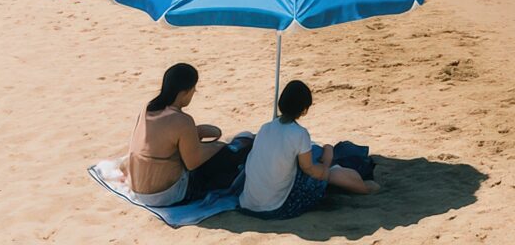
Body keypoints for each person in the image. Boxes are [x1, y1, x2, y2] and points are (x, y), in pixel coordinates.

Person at [240, 79, 380, 218]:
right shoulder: (299, 133)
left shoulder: (265, 128)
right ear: (304, 110)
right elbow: (310, 169)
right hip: (274, 208)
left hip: (247, 203)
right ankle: (362, 187)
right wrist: (327, 162)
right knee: (318, 176)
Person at [123, 63, 246, 207]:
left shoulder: (148, 108)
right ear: (183, 93)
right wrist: (219, 146)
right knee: (231, 154)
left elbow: (166, 137)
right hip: (164, 194)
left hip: (137, 187)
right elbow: (193, 162)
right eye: (193, 90)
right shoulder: (182, 120)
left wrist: (197, 133)